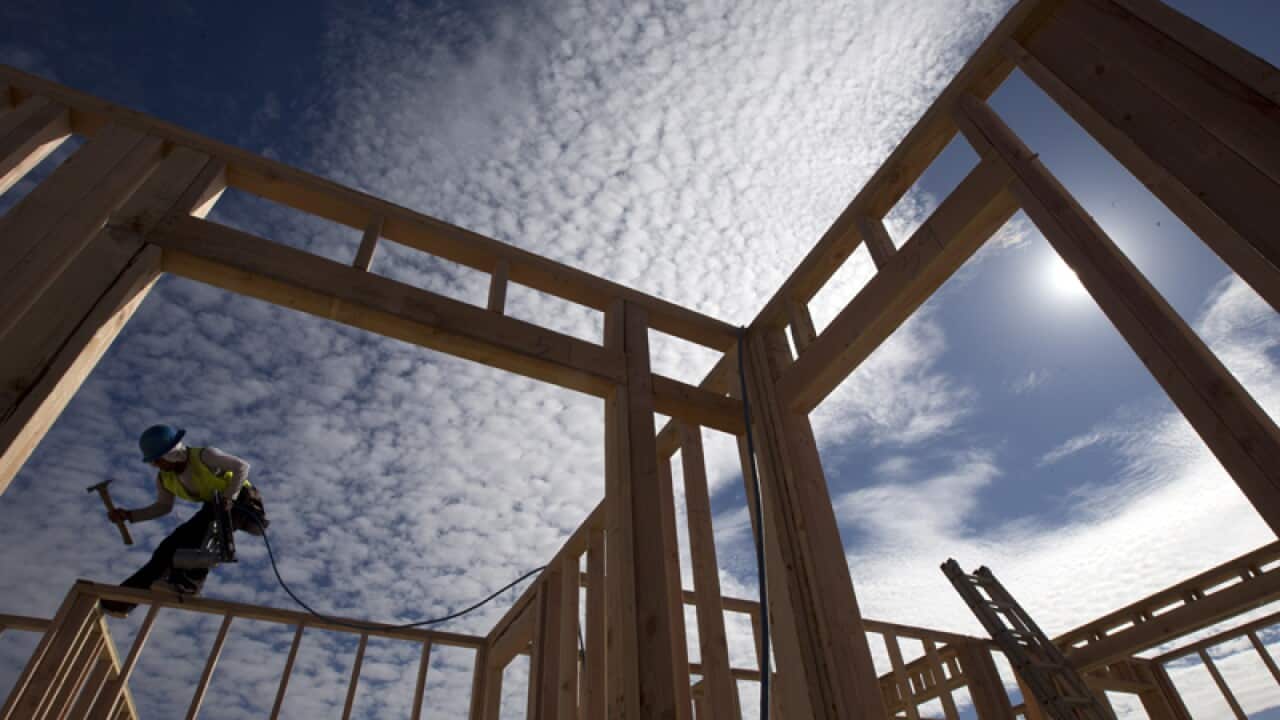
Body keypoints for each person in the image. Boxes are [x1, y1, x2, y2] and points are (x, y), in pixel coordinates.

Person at [100, 424, 269, 617]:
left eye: (157, 460)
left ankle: (188, 586)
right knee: (168, 548)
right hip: (215, 507)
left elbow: (242, 466)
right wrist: (130, 515)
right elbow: (163, 507)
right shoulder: (165, 479)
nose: (156, 465)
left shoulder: (204, 456)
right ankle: (120, 602)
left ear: (171, 453)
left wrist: (229, 497)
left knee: (202, 535)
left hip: (245, 502)